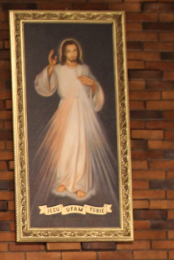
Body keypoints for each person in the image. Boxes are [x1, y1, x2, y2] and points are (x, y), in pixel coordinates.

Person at [32, 38, 117, 205]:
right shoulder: (58, 69)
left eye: (74, 50)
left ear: (78, 52)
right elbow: (45, 87)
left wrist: (92, 85)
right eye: (69, 51)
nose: (72, 54)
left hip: (81, 111)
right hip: (65, 110)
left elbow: (95, 90)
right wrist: (50, 67)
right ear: (64, 53)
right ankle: (63, 180)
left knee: (81, 146)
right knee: (64, 146)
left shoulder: (84, 69)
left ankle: (80, 184)